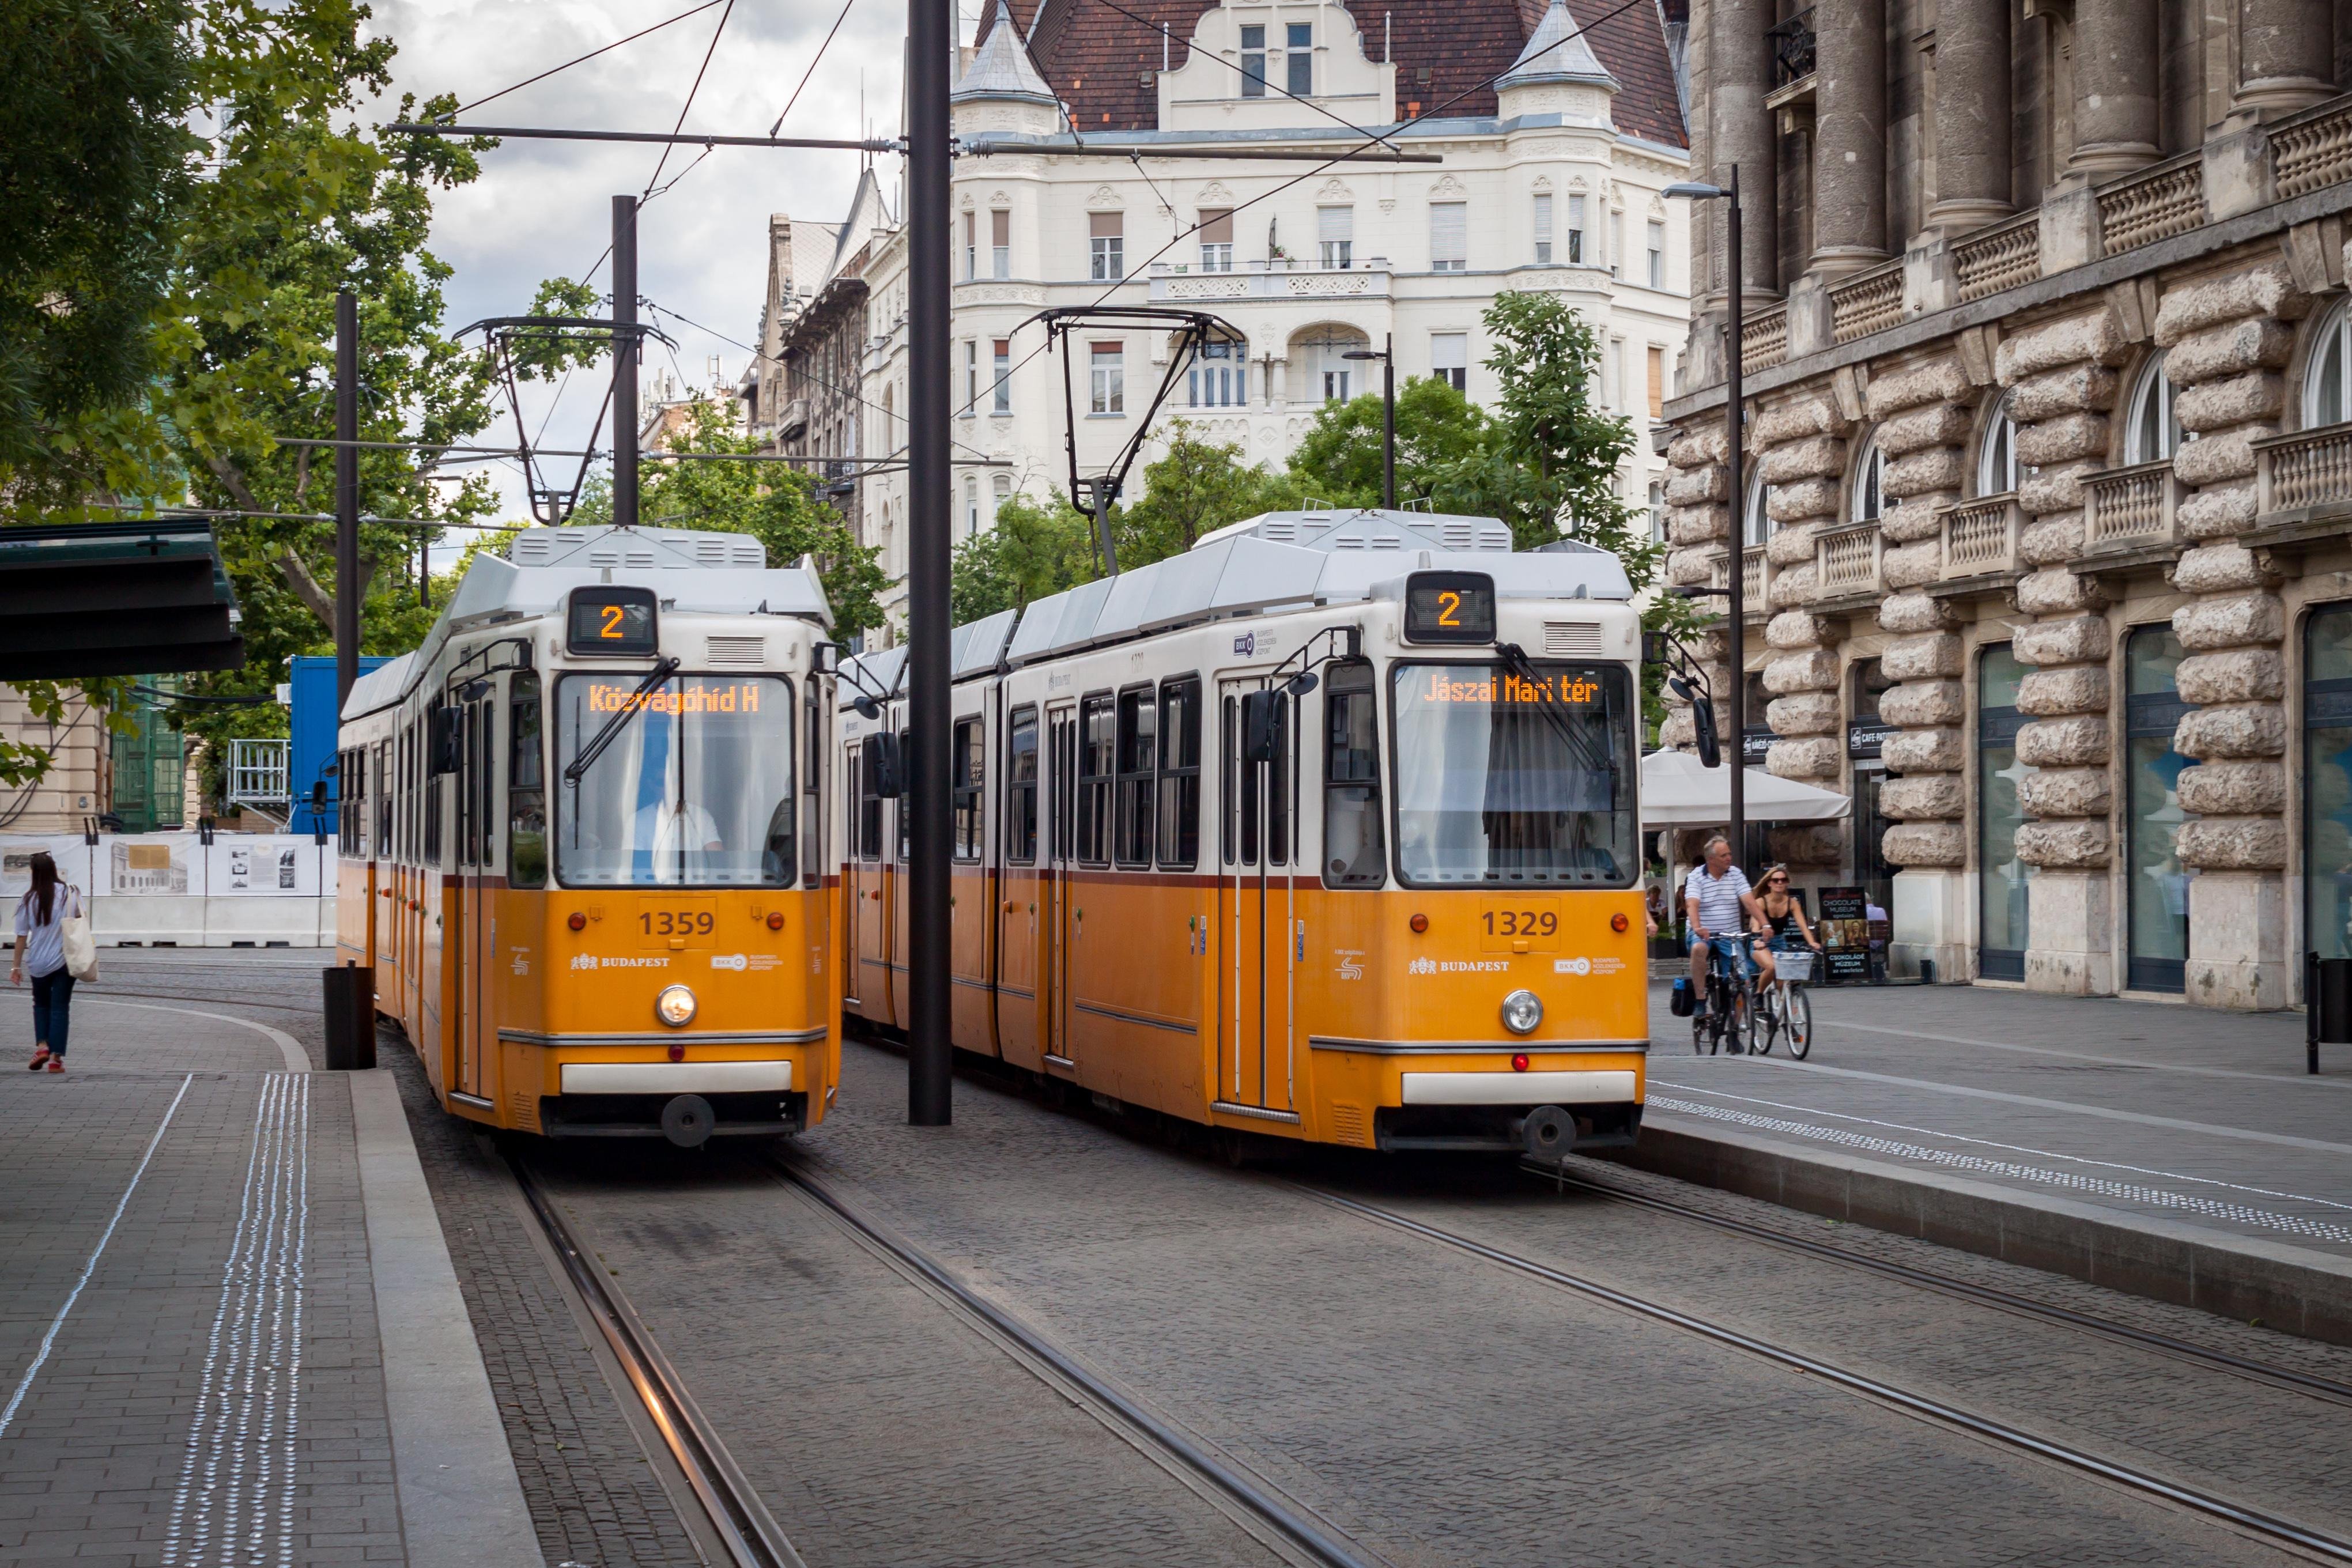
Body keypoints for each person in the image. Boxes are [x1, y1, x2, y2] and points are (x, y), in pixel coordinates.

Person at [1684, 834, 1766, 1036]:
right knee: (1698, 949)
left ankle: (1735, 1028)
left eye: (1729, 854)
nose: (1729, 858)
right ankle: (1701, 999)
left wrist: (1765, 924)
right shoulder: (1697, 876)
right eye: (1724, 855)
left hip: (1731, 935)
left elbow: (1749, 901)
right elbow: (1692, 904)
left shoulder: (1736, 874)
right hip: (1703, 933)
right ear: (1711, 860)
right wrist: (1697, 927)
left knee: (1743, 981)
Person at [12, 852, 83, 1073]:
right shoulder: (70, 893)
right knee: (60, 1008)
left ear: (33, 873)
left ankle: (42, 1046)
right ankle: (55, 1059)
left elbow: (21, 936)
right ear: (54, 869)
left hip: (38, 963)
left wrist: (16, 967)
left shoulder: (28, 899)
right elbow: (81, 921)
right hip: (65, 960)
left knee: (41, 1005)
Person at [1755, 864, 1823, 979]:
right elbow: (1755, 925)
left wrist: (1812, 942)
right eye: (1776, 880)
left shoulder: (1792, 903)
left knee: (1785, 976)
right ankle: (1759, 995)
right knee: (1771, 968)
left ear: (1787, 883)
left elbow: (1802, 925)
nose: (1780, 883)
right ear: (1769, 883)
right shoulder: (1761, 902)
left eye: (1783, 880)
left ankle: (1784, 997)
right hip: (1761, 941)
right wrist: (1757, 940)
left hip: (1779, 941)